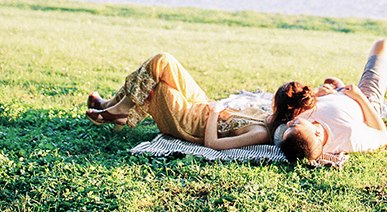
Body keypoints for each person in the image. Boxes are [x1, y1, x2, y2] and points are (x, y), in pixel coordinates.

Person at [86, 52, 316, 150]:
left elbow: (213, 145)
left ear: (279, 106)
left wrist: (216, 112)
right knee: (162, 62)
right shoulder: (267, 114)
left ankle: (116, 109)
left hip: (191, 123)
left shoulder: (261, 133)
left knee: (158, 83)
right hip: (203, 105)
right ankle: (111, 107)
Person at [278, 38, 387, 162]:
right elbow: (382, 136)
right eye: (294, 125)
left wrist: (321, 92)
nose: (291, 123)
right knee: (384, 46)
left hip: (338, 96)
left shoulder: (294, 136)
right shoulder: (349, 136)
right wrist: (359, 97)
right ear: (316, 134)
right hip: (364, 99)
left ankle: (337, 88)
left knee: (325, 82)